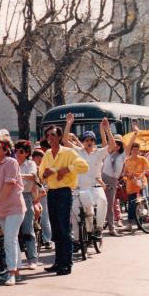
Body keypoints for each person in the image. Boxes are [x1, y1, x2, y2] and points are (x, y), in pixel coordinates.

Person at [38, 125, 89, 276]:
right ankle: (58, 262)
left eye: (53, 135)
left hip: (64, 192)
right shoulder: (47, 153)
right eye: (48, 135)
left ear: (60, 137)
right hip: (52, 192)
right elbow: (41, 172)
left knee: (64, 228)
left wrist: (65, 170)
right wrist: (45, 174)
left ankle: (67, 263)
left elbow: (83, 166)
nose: (50, 138)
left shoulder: (68, 152)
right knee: (56, 230)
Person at [62, 114, 113, 242]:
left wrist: (107, 130)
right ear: (83, 142)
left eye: (91, 140)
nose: (89, 142)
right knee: (76, 213)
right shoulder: (78, 151)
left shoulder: (99, 152)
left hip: (95, 187)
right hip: (80, 188)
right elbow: (64, 141)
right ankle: (78, 240)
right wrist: (68, 123)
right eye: (86, 140)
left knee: (103, 201)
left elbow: (111, 146)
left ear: (94, 142)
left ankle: (99, 228)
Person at [0, 135, 27, 286]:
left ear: (6, 149)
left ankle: (11, 273)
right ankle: (16, 270)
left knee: (9, 240)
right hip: (1, 209)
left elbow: (9, 184)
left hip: (14, 208)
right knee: (12, 239)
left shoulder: (12, 162)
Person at [14, 140, 39, 270]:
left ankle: (32, 259)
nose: (18, 154)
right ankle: (14, 260)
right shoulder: (12, 163)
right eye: (16, 151)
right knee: (13, 231)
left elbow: (33, 175)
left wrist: (18, 175)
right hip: (12, 197)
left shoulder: (31, 163)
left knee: (28, 229)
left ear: (27, 153)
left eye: (21, 151)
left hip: (26, 196)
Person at [122, 126, 149, 232]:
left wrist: (143, 173)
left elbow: (147, 168)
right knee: (132, 205)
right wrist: (127, 175)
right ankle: (129, 223)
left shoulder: (143, 159)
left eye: (136, 149)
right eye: (133, 149)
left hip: (142, 182)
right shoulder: (127, 160)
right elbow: (124, 173)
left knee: (145, 200)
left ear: (139, 150)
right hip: (131, 185)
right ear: (131, 151)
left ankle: (145, 219)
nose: (135, 151)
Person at [101, 130, 127, 236]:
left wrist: (135, 134)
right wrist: (104, 129)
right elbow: (104, 141)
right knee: (100, 203)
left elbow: (129, 146)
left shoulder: (122, 156)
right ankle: (99, 226)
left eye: (118, 144)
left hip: (112, 181)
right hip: (102, 179)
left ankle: (111, 228)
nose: (116, 145)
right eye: (114, 143)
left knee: (110, 205)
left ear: (121, 145)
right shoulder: (107, 153)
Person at [31, 149, 52, 248]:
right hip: (31, 195)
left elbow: (47, 185)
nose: (41, 161)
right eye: (39, 158)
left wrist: (40, 196)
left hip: (42, 195)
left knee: (44, 218)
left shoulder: (44, 169)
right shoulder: (30, 168)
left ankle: (47, 240)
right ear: (34, 158)